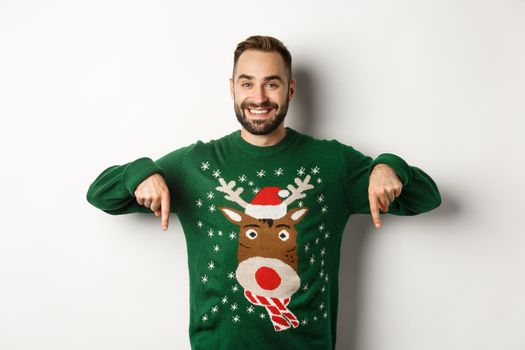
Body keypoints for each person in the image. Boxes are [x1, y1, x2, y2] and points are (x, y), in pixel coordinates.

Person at [86, 35, 441, 350]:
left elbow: (425, 198)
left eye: (272, 84)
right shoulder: (196, 164)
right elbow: (102, 195)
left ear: (290, 90)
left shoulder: (333, 163)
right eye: (247, 83)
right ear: (232, 89)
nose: (258, 97)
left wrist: (388, 166)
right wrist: (141, 173)